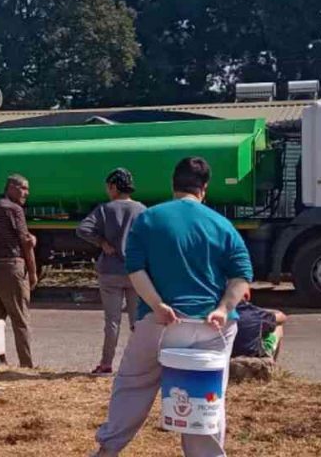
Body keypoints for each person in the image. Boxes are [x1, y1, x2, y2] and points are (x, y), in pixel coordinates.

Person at [93, 157, 253, 457]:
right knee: (205, 399)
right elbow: (241, 274)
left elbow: (135, 269)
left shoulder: (149, 219)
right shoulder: (222, 224)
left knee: (133, 386)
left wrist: (158, 305)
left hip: (160, 324)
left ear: (172, 185)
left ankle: (108, 449)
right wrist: (222, 308)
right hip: (212, 326)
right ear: (204, 188)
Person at [77, 168, 147, 375]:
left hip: (110, 271)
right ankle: (138, 364)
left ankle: (106, 364)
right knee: (137, 321)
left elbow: (83, 229)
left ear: (114, 187)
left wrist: (101, 242)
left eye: (108, 187)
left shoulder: (105, 209)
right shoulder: (142, 210)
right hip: (135, 272)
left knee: (112, 321)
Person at [0, 174, 37, 368]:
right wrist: (33, 271)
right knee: (21, 319)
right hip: (12, 265)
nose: (26, 193)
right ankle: (26, 364)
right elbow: (25, 242)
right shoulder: (14, 209)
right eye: (23, 188)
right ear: (11, 187)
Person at [232, 294, 287, 360]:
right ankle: (271, 364)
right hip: (253, 357)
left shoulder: (220, 311)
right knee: (278, 326)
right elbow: (282, 317)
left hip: (227, 355)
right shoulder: (254, 313)